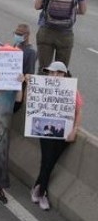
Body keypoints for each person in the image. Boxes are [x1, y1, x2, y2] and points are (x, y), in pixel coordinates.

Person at [30, 61, 82, 212]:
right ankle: (42, 193)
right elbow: (33, 103)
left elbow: (79, 112)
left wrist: (75, 130)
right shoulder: (43, 87)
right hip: (45, 131)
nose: (54, 75)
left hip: (64, 132)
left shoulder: (72, 90)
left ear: (64, 74)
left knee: (51, 162)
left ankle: (37, 188)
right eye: (51, 73)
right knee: (47, 161)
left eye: (57, 73)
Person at [33, 0, 87, 72]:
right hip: (65, 34)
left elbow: (37, 6)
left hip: (46, 30)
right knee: (61, 72)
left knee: (44, 69)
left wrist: (48, 6)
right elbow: (83, 10)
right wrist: (70, 10)